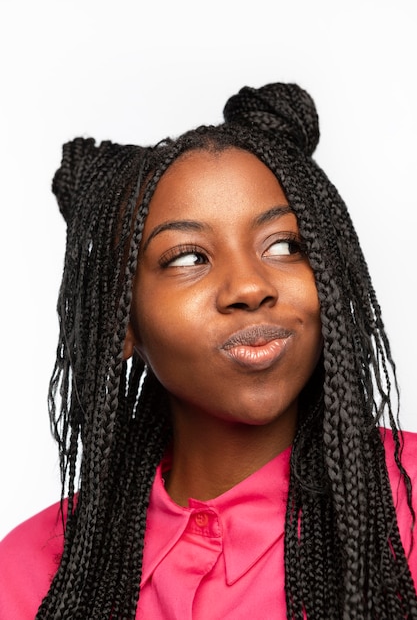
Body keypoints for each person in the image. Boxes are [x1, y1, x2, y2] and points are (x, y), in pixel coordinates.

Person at [0, 82, 416, 620]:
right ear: (121, 323)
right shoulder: (26, 572)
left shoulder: (403, 502)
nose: (249, 286)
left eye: (286, 246)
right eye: (187, 257)